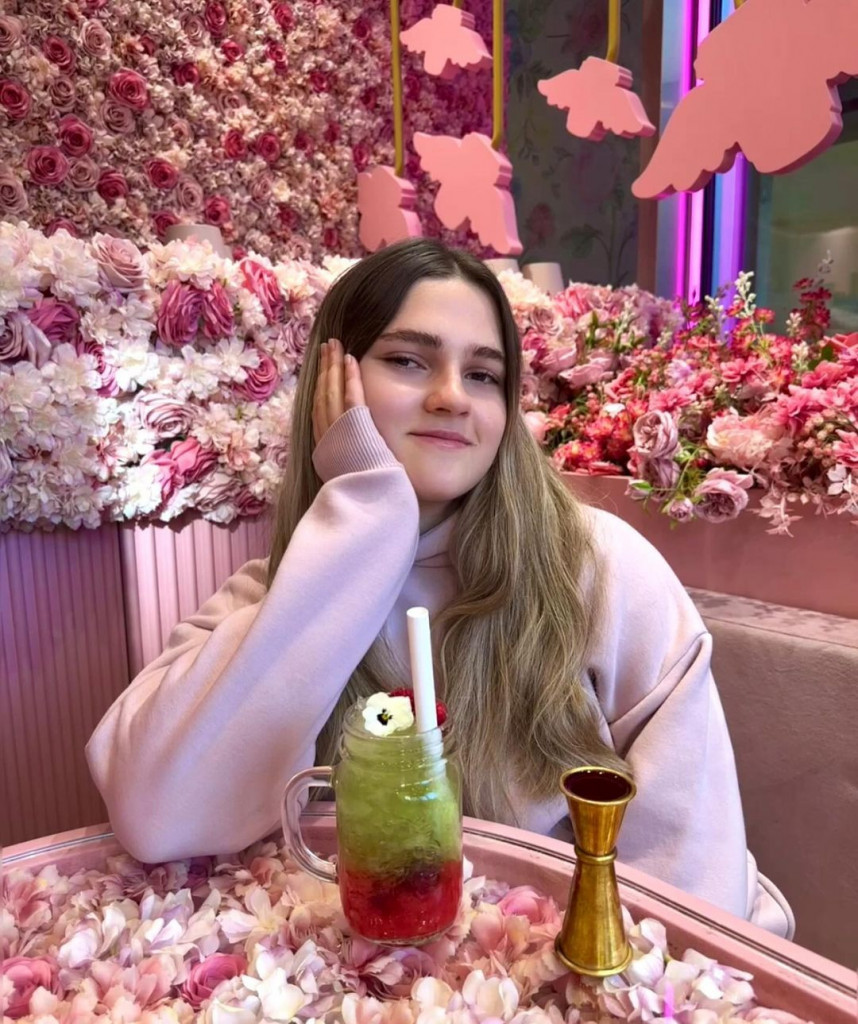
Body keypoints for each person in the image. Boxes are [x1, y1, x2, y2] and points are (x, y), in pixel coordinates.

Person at [86, 238, 793, 937]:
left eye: (483, 375)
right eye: (407, 360)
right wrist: (361, 521)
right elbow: (158, 817)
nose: (453, 396)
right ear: (333, 385)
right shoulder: (278, 593)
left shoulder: (601, 570)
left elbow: (695, 876)